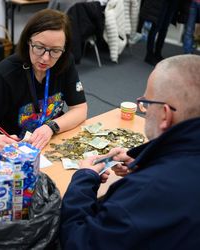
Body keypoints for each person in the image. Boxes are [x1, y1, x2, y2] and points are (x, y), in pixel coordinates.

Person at [60, 54, 200, 249]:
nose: (144, 110)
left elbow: (78, 242)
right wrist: (142, 159)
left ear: (165, 115)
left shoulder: (141, 194)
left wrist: (82, 180)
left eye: (147, 103)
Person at [0, 9, 87, 152]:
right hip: (15, 150)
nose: (45, 58)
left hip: (50, 144)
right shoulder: (7, 72)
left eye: (55, 50)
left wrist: (51, 127)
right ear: (28, 41)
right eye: (39, 47)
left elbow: (80, 109)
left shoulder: (64, 62)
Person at [140, 0, 180, 65]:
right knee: (156, 27)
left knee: (164, 29)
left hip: (172, 2)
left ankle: (158, 54)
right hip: (160, 2)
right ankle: (149, 55)